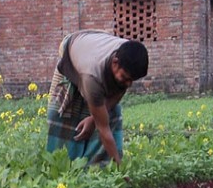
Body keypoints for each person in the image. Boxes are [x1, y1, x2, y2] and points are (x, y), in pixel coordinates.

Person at [45, 30, 149, 166]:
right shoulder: (91, 76)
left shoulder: (129, 54)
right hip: (71, 53)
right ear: (115, 62)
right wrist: (120, 168)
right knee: (62, 114)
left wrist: (94, 118)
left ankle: (97, 168)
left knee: (110, 114)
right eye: (126, 78)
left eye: (132, 80)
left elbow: (118, 92)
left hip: (93, 47)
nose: (129, 84)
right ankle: (62, 167)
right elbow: (103, 129)